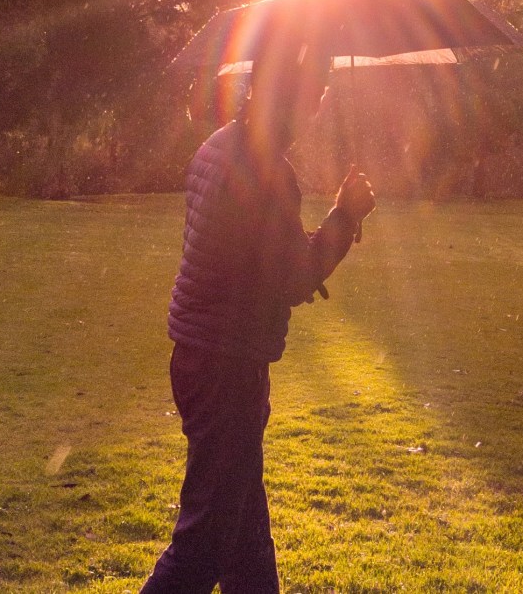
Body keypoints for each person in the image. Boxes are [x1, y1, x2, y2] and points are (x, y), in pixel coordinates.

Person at [140, 41, 377, 594]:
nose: (316, 110)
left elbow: (250, 260)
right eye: (311, 97)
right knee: (203, 545)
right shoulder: (262, 170)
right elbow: (293, 278)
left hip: (201, 355)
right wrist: (344, 215)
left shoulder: (218, 147)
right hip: (227, 364)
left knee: (246, 534)